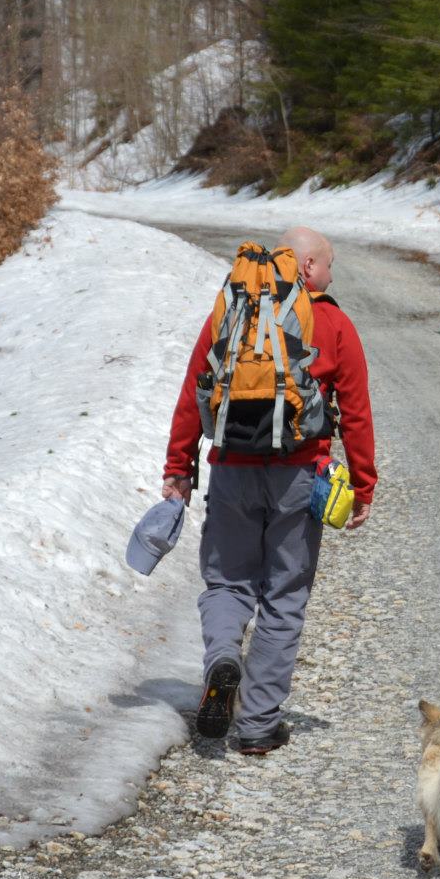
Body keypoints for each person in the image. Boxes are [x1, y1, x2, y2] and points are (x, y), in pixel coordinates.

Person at [161, 226, 376, 756]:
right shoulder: (332, 321)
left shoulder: (231, 312)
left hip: (232, 469)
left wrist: (179, 466)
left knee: (227, 582)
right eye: (328, 265)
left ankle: (222, 660)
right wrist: (364, 483)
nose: (331, 274)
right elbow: (357, 411)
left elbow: (196, 390)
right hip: (299, 474)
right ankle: (258, 723)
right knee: (284, 597)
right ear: (306, 267)